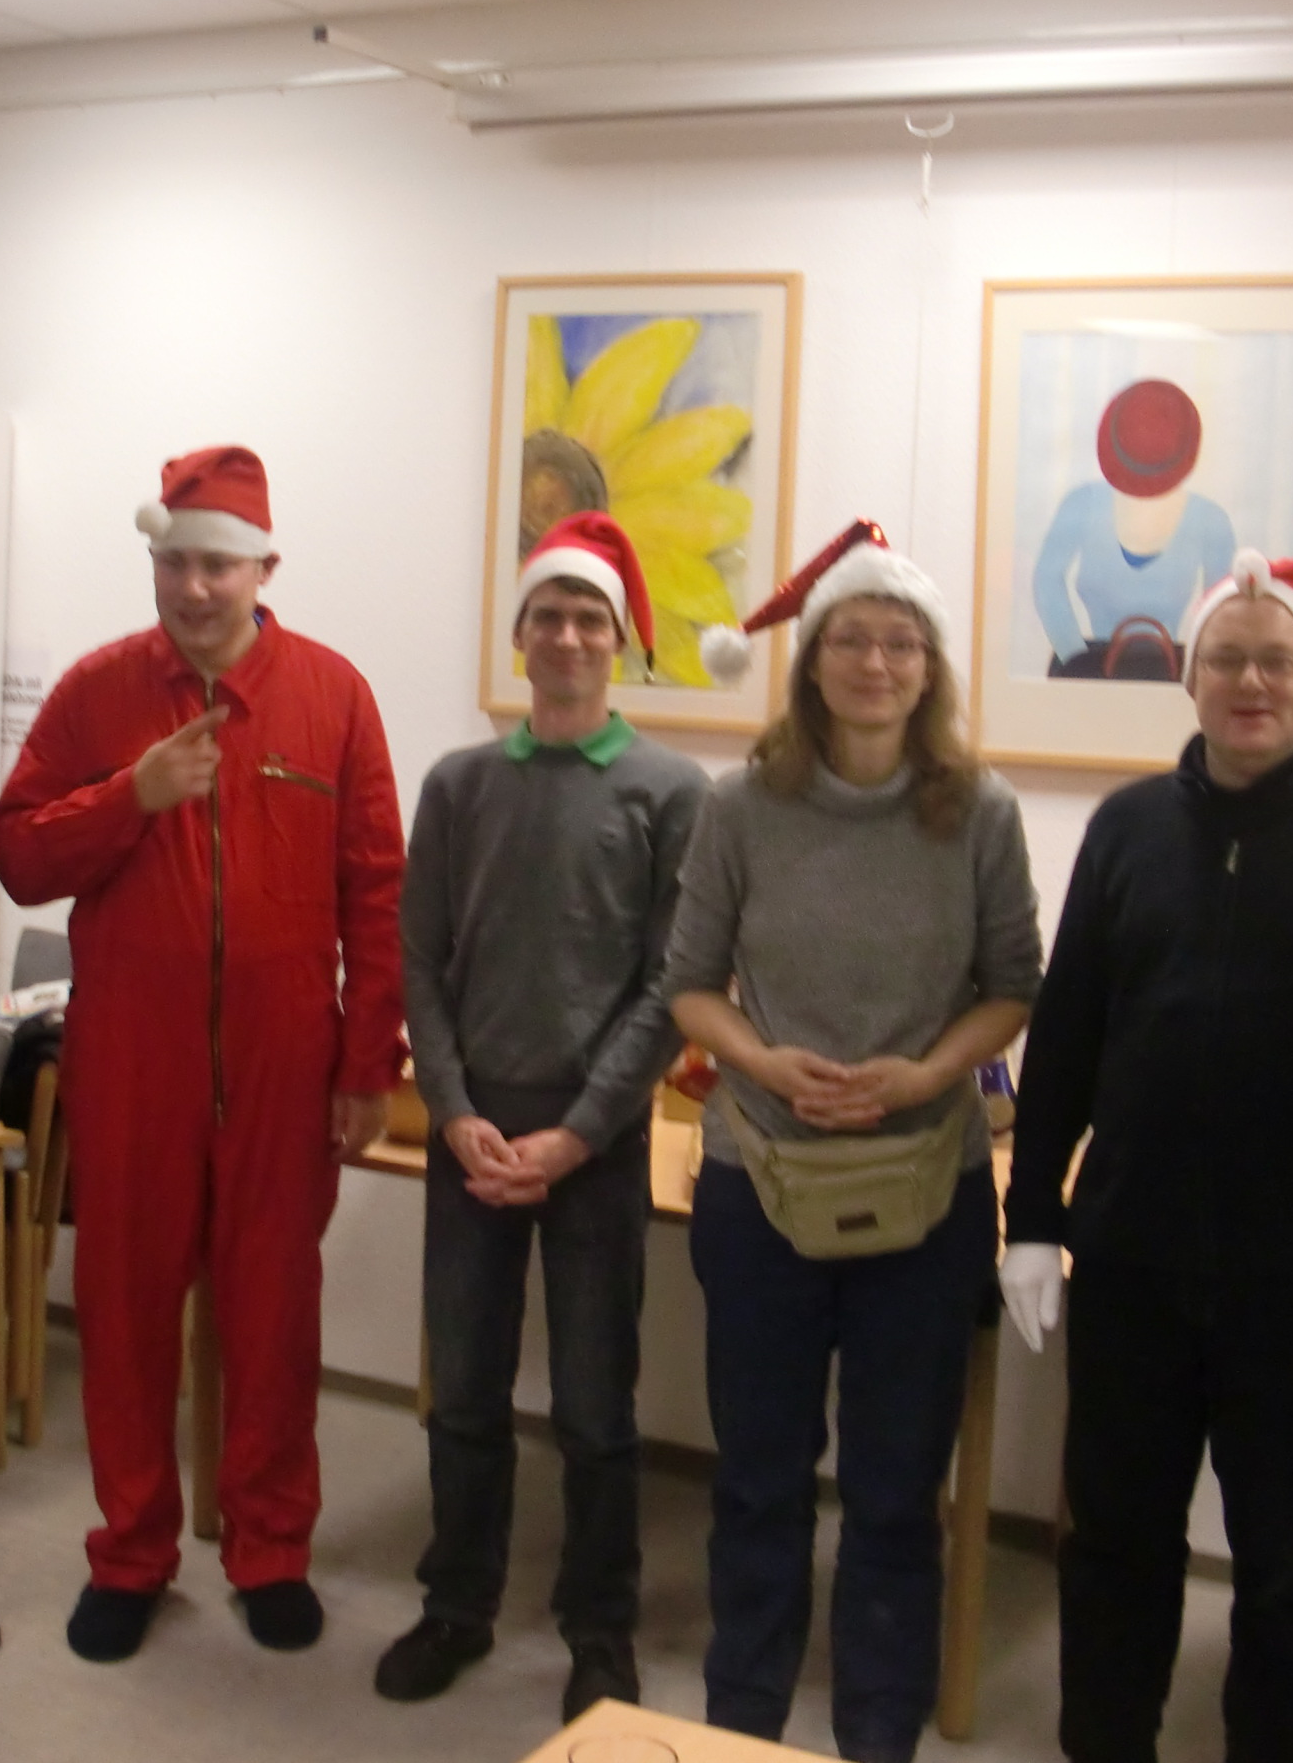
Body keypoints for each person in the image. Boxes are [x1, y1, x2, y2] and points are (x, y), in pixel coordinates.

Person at [1000, 551, 1293, 1763]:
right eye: (1227, 659)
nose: (1252, 682)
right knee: (1113, 1553)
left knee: (1286, 1570)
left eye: (1278, 661)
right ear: (1190, 677)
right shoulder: (1127, 828)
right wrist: (1033, 1217)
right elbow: (1068, 1033)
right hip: (1133, 1268)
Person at [0, 444, 405, 1662]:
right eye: (174, 563)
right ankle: (130, 1552)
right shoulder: (97, 693)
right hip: (131, 1063)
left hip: (285, 1067)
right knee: (123, 1316)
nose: (195, 586)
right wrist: (132, 795)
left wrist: (366, 1065)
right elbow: (17, 855)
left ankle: (269, 1548)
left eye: (218, 564)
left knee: (273, 1318)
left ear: (264, 569)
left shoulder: (333, 695)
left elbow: (377, 893)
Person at [667, 521, 1044, 1763]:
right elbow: (689, 985)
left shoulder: (979, 812)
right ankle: (742, 1731)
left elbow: (1013, 983)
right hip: (759, 1183)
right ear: (811, 661)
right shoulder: (739, 808)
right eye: (851, 640)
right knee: (758, 1482)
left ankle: (878, 1734)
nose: (875, 663)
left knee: (893, 1496)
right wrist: (764, 1062)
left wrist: (928, 1073)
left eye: (899, 643)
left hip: (924, 1194)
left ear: (928, 668)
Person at [378, 512, 707, 1723]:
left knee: (594, 1407)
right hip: (471, 1134)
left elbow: (672, 985)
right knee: (463, 1390)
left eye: (588, 619)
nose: (567, 637)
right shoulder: (459, 786)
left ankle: (598, 1630)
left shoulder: (672, 792)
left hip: (596, 1144)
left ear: (620, 641)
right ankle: (457, 1603)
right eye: (547, 617)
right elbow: (420, 962)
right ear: (518, 638)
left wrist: (577, 1133)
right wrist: (452, 1109)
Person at [1032, 379, 1236, 678]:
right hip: (1086, 671)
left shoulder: (1209, 519)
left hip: (1174, 674)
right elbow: (1046, 581)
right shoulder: (1082, 504)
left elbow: (1223, 610)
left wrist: (1199, 664)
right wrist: (1073, 654)